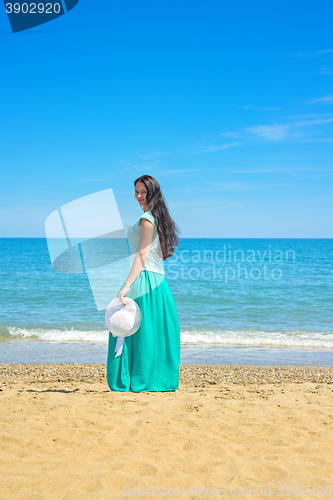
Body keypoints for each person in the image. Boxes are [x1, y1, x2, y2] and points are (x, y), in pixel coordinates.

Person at [106, 175, 181, 392]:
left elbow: (143, 254)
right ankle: (158, 378)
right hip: (158, 281)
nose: (139, 196)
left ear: (152, 192)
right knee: (152, 329)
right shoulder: (157, 217)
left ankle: (135, 378)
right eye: (136, 192)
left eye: (143, 192)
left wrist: (127, 285)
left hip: (146, 279)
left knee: (130, 326)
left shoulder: (148, 218)